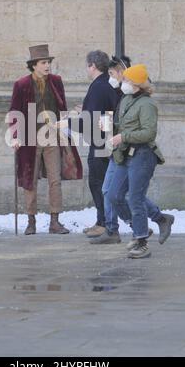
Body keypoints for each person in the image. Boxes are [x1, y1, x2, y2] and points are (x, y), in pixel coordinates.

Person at [92, 59, 174, 245]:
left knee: (135, 198)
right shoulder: (127, 99)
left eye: (128, 80)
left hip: (142, 156)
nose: (124, 83)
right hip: (124, 154)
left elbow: (148, 132)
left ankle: (140, 240)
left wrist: (123, 136)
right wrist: (109, 125)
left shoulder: (147, 104)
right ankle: (144, 225)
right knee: (114, 195)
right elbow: (123, 124)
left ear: (137, 84)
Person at [9, 44, 83, 235]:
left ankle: (55, 221)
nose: (47, 65)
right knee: (30, 180)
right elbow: (15, 112)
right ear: (34, 65)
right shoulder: (22, 84)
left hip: (52, 136)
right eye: (43, 62)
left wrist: (66, 127)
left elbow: (62, 107)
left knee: (55, 180)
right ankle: (31, 221)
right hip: (30, 138)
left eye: (48, 62)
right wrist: (16, 136)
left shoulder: (56, 81)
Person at [57, 50, 118, 238]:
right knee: (106, 185)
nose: (87, 69)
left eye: (87, 65)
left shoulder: (98, 86)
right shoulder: (108, 84)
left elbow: (92, 120)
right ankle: (110, 222)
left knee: (98, 183)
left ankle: (105, 223)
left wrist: (67, 123)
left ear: (92, 65)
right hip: (107, 140)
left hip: (101, 142)